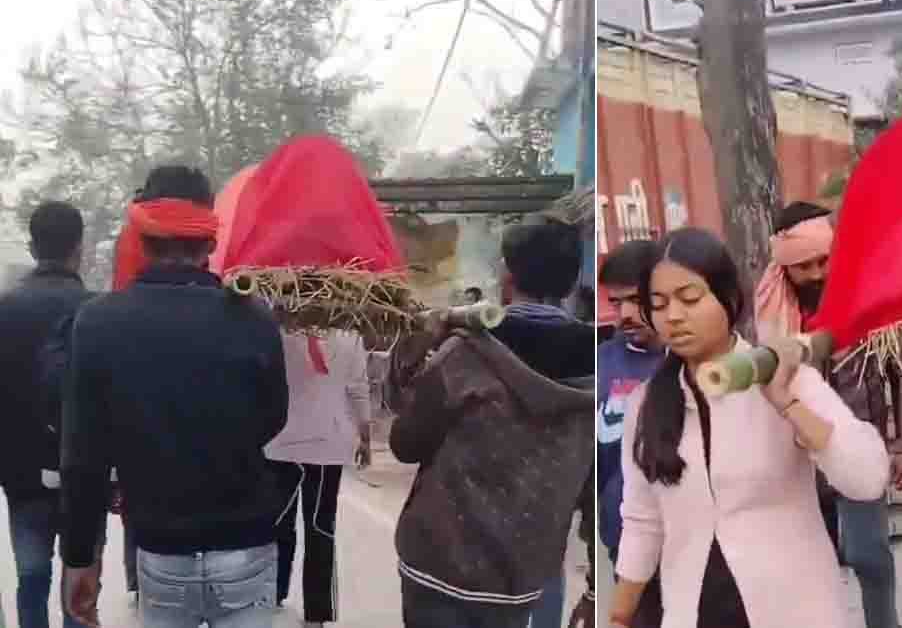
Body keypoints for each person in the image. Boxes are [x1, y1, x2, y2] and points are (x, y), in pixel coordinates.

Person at [608, 227, 890, 628]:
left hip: (792, 611)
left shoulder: (784, 377)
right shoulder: (646, 405)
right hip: (694, 611)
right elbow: (642, 521)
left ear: (728, 298)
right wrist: (619, 617)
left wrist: (787, 404)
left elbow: (867, 479)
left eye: (690, 299)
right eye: (659, 303)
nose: (673, 316)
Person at [59, 165, 290, 628]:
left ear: (141, 240)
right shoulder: (254, 320)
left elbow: (84, 457)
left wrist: (81, 557)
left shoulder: (98, 323)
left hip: (161, 547)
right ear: (209, 242)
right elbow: (272, 418)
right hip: (246, 541)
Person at [388, 215, 594, 628]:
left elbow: (404, 443)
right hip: (519, 581)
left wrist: (416, 347)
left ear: (506, 276)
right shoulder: (595, 367)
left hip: (440, 566)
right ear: (571, 286)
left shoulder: (465, 355)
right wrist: (592, 590)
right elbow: (590, 489)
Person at [754, 201, 902, 628]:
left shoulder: (870, 300)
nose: (815, 274)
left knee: (869, 556)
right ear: (784, 267)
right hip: (798, 455)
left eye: (822, 261)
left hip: (860, 446)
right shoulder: (768, 313)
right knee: (814, 562)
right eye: (802, 266)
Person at [0, 201, 99, 628]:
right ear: (79, 248)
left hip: (20, 472)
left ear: (32, 246)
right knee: (80, 584)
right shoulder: (97, 311)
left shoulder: (4, 309)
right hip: (84, 471)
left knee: (32, 576)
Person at [265, 329, 372, 627]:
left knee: (278, 522)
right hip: (328, 445)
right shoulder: (350, 336)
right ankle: (317, 613)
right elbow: (358, 390)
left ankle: (272, 593)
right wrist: (365, 436)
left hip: (280, 444)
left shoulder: (278, 332)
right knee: (320, 527)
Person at [596, 240, 665, 627]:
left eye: (634, 301)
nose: (623, 315)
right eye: (615, 301)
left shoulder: (695, 362)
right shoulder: (602, 363)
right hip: (623, 544)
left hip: (697, 550)